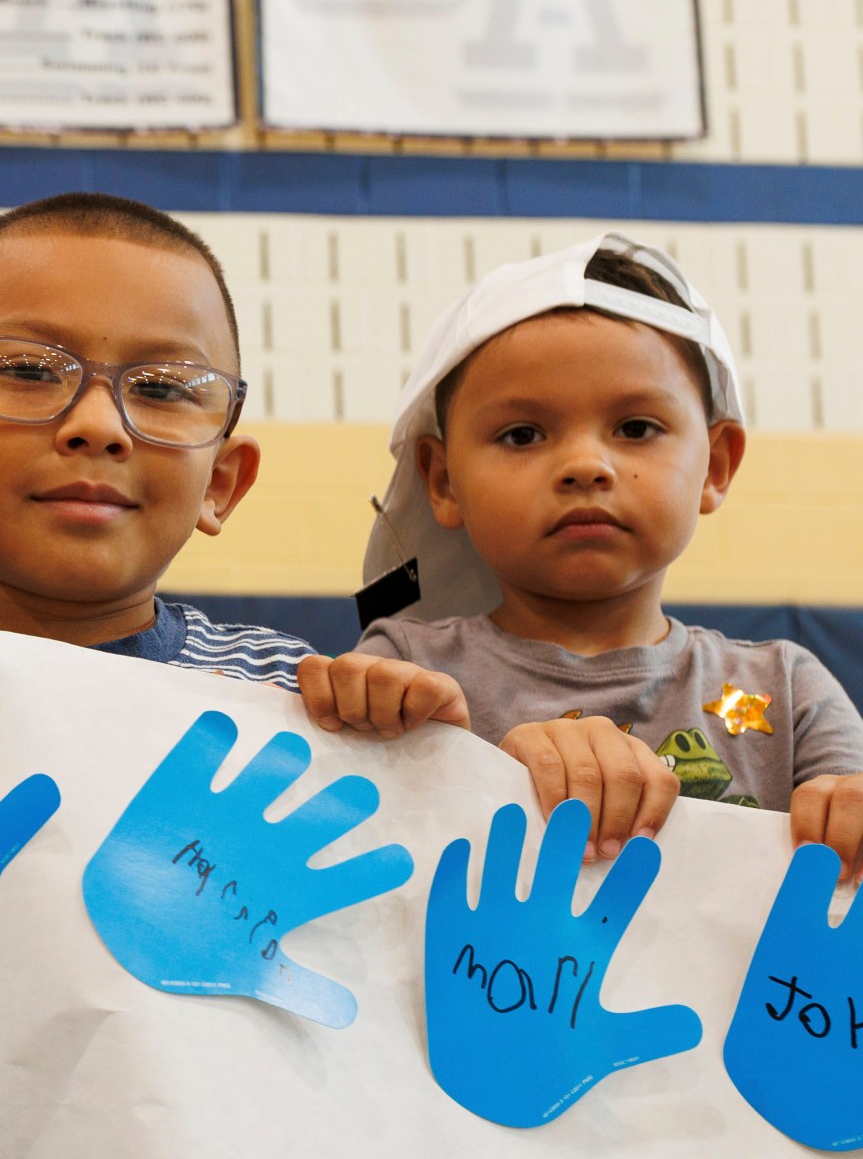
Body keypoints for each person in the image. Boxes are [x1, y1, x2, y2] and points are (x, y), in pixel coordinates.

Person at [0, 192, 466, 739]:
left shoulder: (294, 700)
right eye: (30, 371)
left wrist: (420, 748)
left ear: (221, 482)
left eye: (164, 387)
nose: (99, 427)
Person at [354, 234, 863, 867]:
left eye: (635, 428)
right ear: (443, 480)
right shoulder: (406, 674)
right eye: (522, 434)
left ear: (716, 464)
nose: (585, 465)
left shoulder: (787, 692)